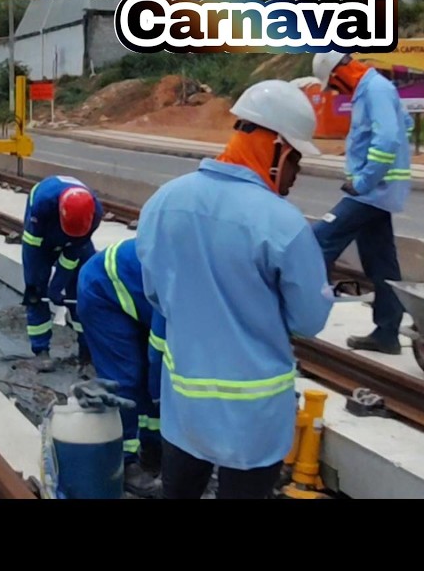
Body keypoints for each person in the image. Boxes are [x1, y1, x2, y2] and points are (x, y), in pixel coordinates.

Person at [136, 79, 335, 499]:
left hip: (185, 405)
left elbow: (156, 294)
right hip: (254, 418)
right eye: (296, 159)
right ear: (278, 148)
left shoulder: (165, 201)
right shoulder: (282, 223)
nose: (297, 174)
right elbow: (308, 320)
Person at [310, 50, 414, 355]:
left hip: (372, 192)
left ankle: (297, 316)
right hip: (378, 192)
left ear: (340, 71)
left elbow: (388, 140)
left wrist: (365, 178)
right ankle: (387, 333)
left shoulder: (375, 90)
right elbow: (403, 124)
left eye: (333, 84)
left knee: (319, 241)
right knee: (381, 263)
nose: (336, 91)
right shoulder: (373, 89)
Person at [76, 237, 166, 497]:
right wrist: (161, 396)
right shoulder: (179, 279)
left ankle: (153, 447)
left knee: (150, 382)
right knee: (126, 379)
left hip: (137, 298)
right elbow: (159, 354)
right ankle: (124, 462)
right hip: (103, 292)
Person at [21, 175, 102, 372]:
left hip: (78, 241)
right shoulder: (42, 204)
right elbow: (34, 249)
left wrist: (58, 284)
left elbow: (74, 251)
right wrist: (39, 285)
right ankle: (41, 352)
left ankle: (87, 351)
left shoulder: (95, 213)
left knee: (82, 289)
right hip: (40, 238)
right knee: (36, 292)